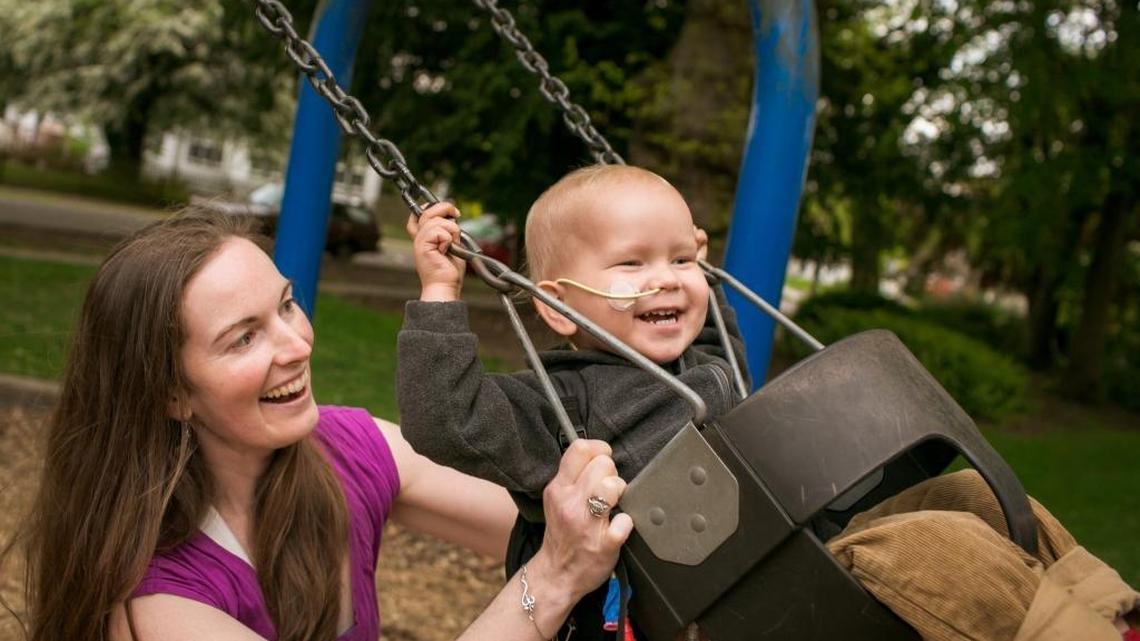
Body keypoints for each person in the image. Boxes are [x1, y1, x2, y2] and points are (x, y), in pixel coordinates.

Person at [397, 164, 1139, 641]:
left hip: (795, 550)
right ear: (556, 308)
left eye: (682, 259)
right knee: (940, 555)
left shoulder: (701, 364)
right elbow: (445, 420)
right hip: (711, 607)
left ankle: (1111, 612)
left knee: (971, 494)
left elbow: (726, 347)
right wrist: (439, 293)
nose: (669, 279)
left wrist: (702, 274)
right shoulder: (561, 408)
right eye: (633, 262)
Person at [14, 209, 633, 641]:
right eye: (244, 338)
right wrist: (549, 580)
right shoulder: (152, 604)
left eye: (286, 305)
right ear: (173, 394)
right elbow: (555, 553)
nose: (297, 344)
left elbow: (565, 523)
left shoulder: (344, 450)